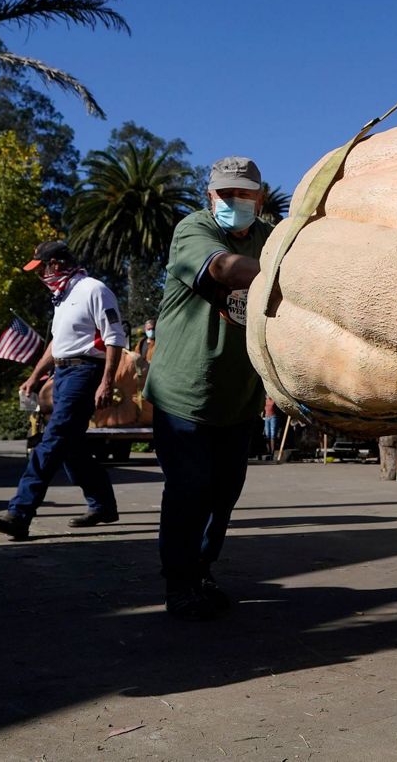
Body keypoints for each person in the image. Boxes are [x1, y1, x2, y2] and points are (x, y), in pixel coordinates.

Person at [143, 156, 274, 619]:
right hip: (185, 394)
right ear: (209, 195)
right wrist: (297, 277)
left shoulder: (270, 238)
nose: (235, 202)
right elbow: (222, 270)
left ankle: (200, 571)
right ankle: (179, 583)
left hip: (237, 399)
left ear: (259, 197)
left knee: (223, 494)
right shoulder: (193, 230)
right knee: (189, 489)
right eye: (226, 194)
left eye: (245, 194)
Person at [0, 241, 127, 539]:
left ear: (57, 264)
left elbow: (115, 337)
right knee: (71, 448)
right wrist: (35, 376)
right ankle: (102, 505)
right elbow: (56, 344)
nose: (40, 275)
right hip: (64, 373)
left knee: (51, 442)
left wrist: (107, 380)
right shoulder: (62, 297)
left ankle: (20, 513)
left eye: (42, 268)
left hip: (85, 372)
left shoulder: (94, 289)